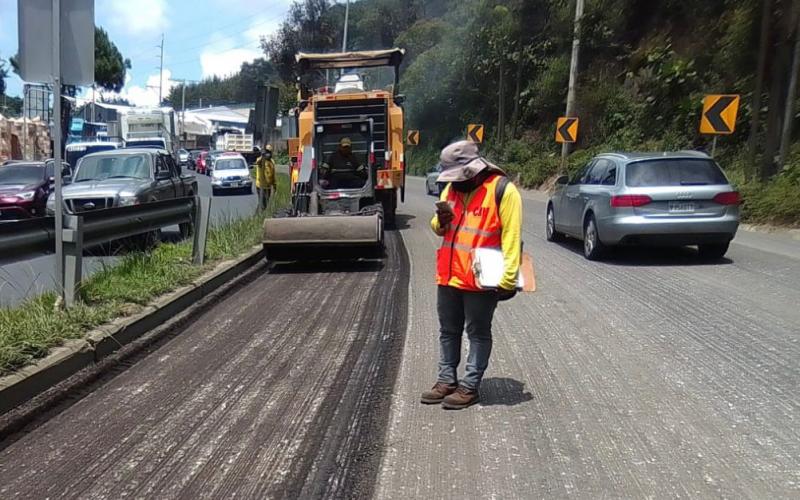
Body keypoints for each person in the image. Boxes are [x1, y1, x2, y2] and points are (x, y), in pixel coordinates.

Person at [420, 140, 523, 410]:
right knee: (448, 330)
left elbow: (512, 237)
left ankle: (470, 386)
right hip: (449, 274)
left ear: (473, 169)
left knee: (477, 332)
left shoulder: (503, 191)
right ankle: (446, 380)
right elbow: (438, 227)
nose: (454, 182)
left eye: (458, 176)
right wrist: (439, 222)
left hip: (481, 279)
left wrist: (508, 279)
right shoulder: (451, 190)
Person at [255, 145, 276, 210]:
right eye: (267, 152)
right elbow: (257, 162)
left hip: (268, 186)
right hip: (261, 186)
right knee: (262, 203)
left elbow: (273, 174)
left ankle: (261, 214)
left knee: (266, 203)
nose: (268, 154)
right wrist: (262, 156)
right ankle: (257, 216)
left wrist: (274, 185)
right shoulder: (261, 160)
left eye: (269, 152)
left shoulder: (272, 162)